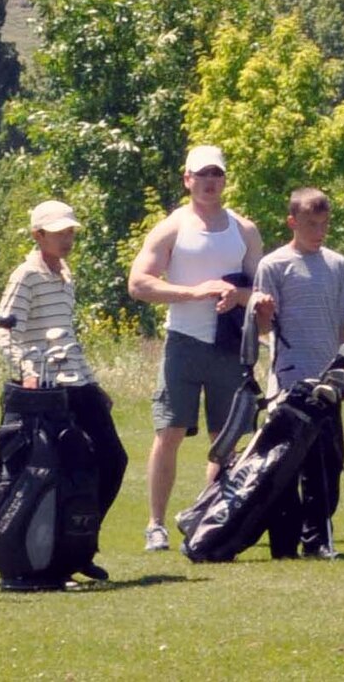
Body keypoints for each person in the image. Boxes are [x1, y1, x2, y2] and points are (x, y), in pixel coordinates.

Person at [127, 144, 268, 552]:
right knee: (169, 431)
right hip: (184, 343)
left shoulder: (244, 229)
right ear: (187, 179)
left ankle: (209, 516)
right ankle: (155, 524)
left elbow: (260, 289)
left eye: (216, 175)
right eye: (201, 175)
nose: (209, 182)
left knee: (227, 438)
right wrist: (194, 292)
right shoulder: (172, 228)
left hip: (230, 343)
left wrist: (236, 296)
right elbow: (139, 283)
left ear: (224, 180)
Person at [0, 200, 130, 536]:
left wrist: (93, 385)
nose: (67, 239)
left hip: (78, 384)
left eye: (69, 231)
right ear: (38, 235)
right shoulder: (27, 275)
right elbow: (2, 332)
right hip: (47, 389)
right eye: (58, 233)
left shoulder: (66, 275)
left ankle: (81, 538)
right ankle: (58, 543)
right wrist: (28, 370)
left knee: (112, 460)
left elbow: (67, 338)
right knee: (61, 467)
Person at [252, 187, 344, 560]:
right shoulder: (274, 265)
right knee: (285, 463)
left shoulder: (337, 265)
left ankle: (317, 539)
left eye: (324, 224)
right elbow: (263, 329)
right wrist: (262, 312)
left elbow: (341, 328)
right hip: (288, 381)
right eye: (311, 224)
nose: (319, 231)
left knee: (328, 463)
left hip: (328, 380)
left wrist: (343, 374)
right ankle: (284, 542)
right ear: (292, 222)